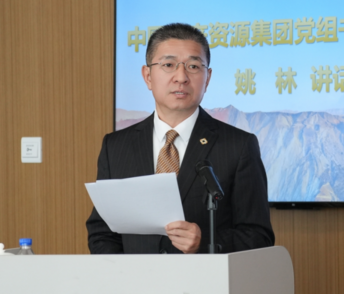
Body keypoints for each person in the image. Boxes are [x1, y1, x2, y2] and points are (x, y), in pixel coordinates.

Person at [86, 23, 274, 254]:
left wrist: (205, 243)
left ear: (207, 78)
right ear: (147, 76)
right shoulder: (115, 146)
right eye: (168, 65)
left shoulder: (238, 146)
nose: (181, 77)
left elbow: (259, 236)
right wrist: (125, 273)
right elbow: (102, 232)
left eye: (193, 66)